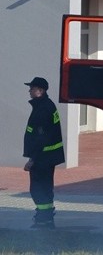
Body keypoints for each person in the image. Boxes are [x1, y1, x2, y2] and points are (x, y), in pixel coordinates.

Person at [23, 77, 65, 229]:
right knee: (46, 188)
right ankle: (46, 219)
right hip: (48, 157)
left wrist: (32, 159)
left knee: (38, 188)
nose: (29, 90)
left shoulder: (42, 109)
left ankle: (43, 219)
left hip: (42, 157)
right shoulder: (47, 105)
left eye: (32, 88)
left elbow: (40, 138)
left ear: (40, 91)